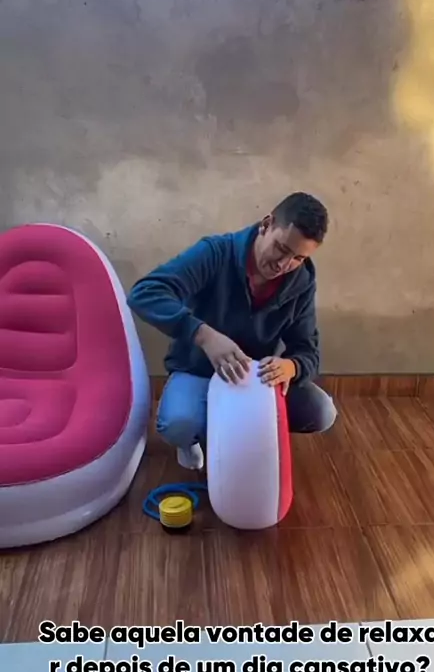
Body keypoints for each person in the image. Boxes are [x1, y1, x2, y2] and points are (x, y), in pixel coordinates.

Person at [128, 191, 337, 470]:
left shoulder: (302, 280)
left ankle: (243, 431)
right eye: (281, 248)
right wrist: (204, 335)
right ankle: (193, 440)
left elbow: (308, 351)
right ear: (266, 224)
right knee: (178, 424)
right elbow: (144, 293)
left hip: (255, 381)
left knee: (321, 412)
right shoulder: (216, 253)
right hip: (198, 371)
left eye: (298, 258)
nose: (283, 264)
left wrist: (291, 366)